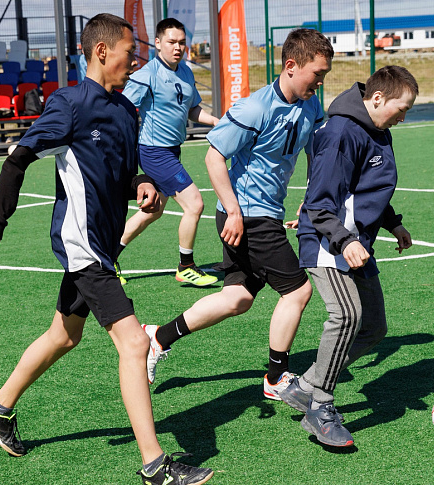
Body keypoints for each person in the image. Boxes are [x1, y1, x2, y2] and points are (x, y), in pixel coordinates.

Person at [0, 14, 213, 485]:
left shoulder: (125, 110)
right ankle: (155, 467)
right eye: (129, 52)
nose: (134, 61)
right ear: (102, 52)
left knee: (64, 335)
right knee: (135, 345)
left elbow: (125, 172)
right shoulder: (70, 104)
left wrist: (142, 182)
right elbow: (18, 156)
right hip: (82, 247)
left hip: (102, 244)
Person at [142, 29, 334, 400]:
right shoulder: (254, 108)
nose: (320, 82)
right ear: (292, 66)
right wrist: (233, 210)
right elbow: (213, 157)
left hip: (265, 213)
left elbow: (315, 152)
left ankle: (158, 336)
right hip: (247, 216)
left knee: (238, 298)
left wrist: (310, 198)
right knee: (298, 291)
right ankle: (276, 378)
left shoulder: (310, 104)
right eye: (317, 74)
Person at [277, 66, 418, 447]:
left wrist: (393, 223)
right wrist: (343, 240)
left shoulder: (378, 131)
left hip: (356, 242)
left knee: (373, 327)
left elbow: (368, 187)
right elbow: (320, 203)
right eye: (401, 108)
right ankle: (320, 407)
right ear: (377, 99)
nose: (404, 116)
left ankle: (305, 386)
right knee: (346, 315)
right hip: (327, 239)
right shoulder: (341, 132)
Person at [114, 18, 220, 287]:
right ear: (158, 43)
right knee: (195, 204)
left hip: (172, 150)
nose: (178, 47)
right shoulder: (146, 75)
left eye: (182, 42)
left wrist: (218, 122)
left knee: (153, 211)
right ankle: (186, 266)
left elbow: (192, 110)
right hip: (154, 152)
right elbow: (122, 109)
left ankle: (107, 256)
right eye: (172, 42)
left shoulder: (185, 72)